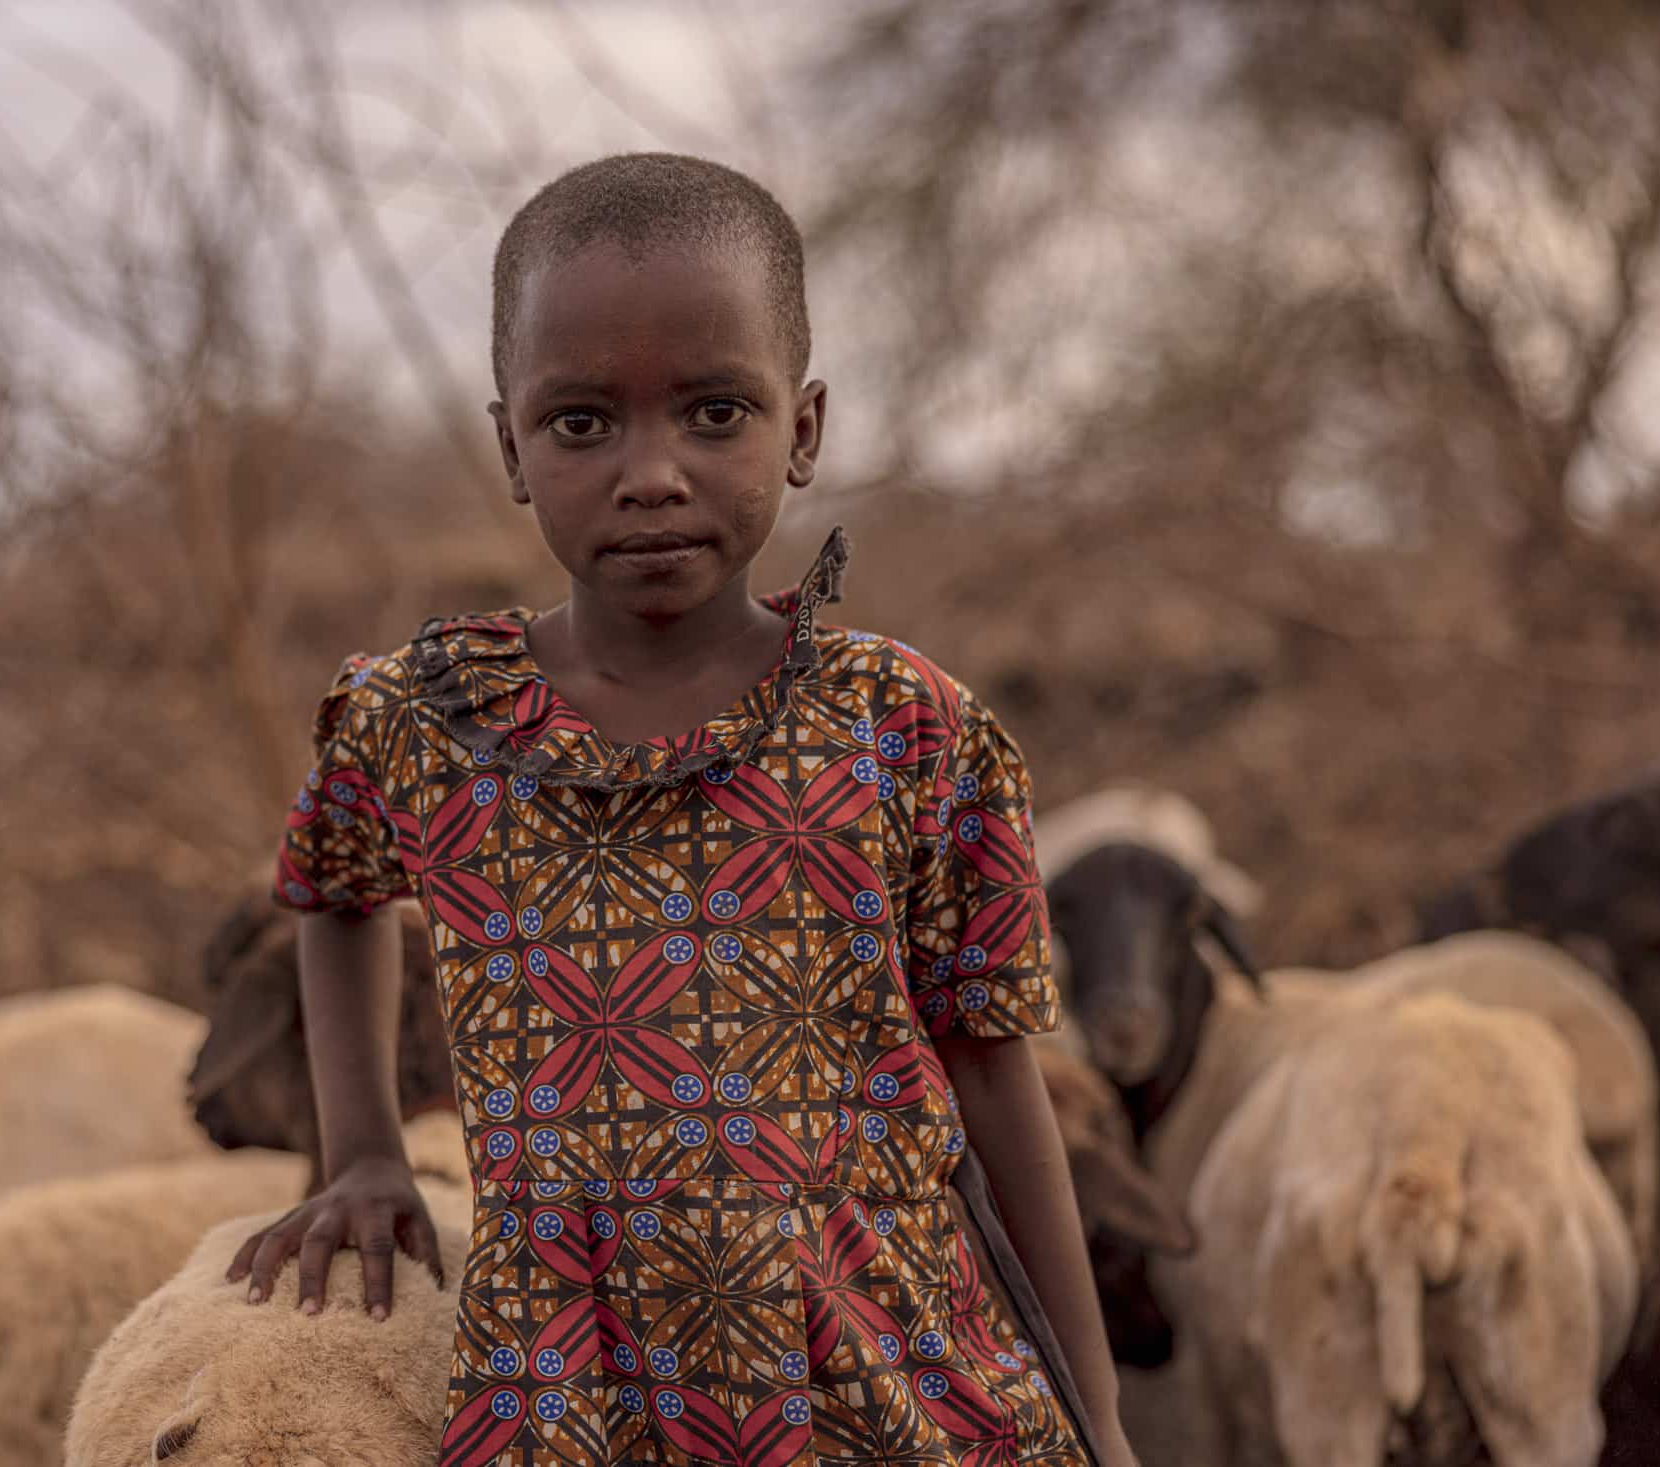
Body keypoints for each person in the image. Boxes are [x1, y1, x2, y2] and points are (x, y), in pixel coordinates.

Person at [225, 152, 1138, 1467]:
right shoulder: (423, 723)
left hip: (881, 1390)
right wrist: (361, 1149)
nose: (652, 473)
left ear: (804, 431)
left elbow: (996, 1073)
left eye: (716, 413)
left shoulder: (905, 730)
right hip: (574, 1398)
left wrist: (1094, 1411)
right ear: (512, 449)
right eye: (583, 424)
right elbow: (331, 891)